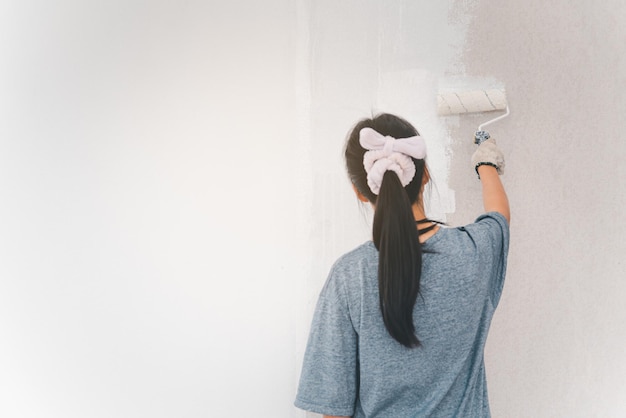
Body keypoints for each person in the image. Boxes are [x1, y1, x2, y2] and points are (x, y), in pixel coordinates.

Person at [294, 113, 510, 417]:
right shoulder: (475, 251)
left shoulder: (348, 277)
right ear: (424, 175)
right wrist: (486, 162)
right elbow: (499, 216)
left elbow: (333, 410)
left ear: (361, 190)